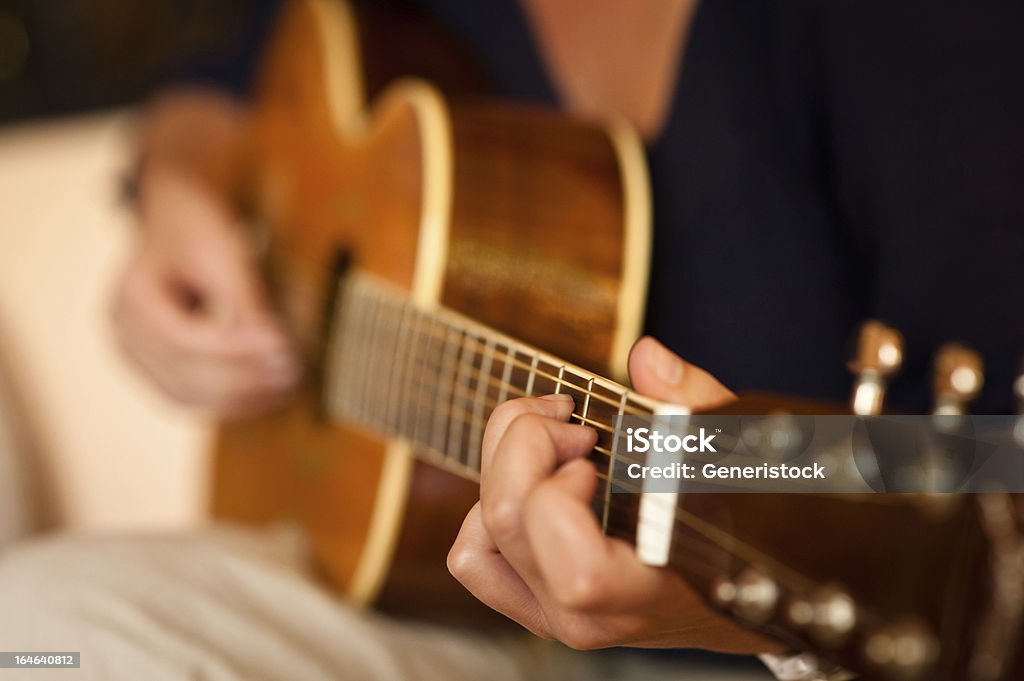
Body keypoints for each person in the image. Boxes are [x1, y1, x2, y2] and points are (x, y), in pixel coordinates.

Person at [4, 1, 1023, 679]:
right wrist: (179, 193)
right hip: (455, 613)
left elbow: (989, 475)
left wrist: (728, 616)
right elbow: (216, 87)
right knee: (36, 632)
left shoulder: (917, 35)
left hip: (796, 637)